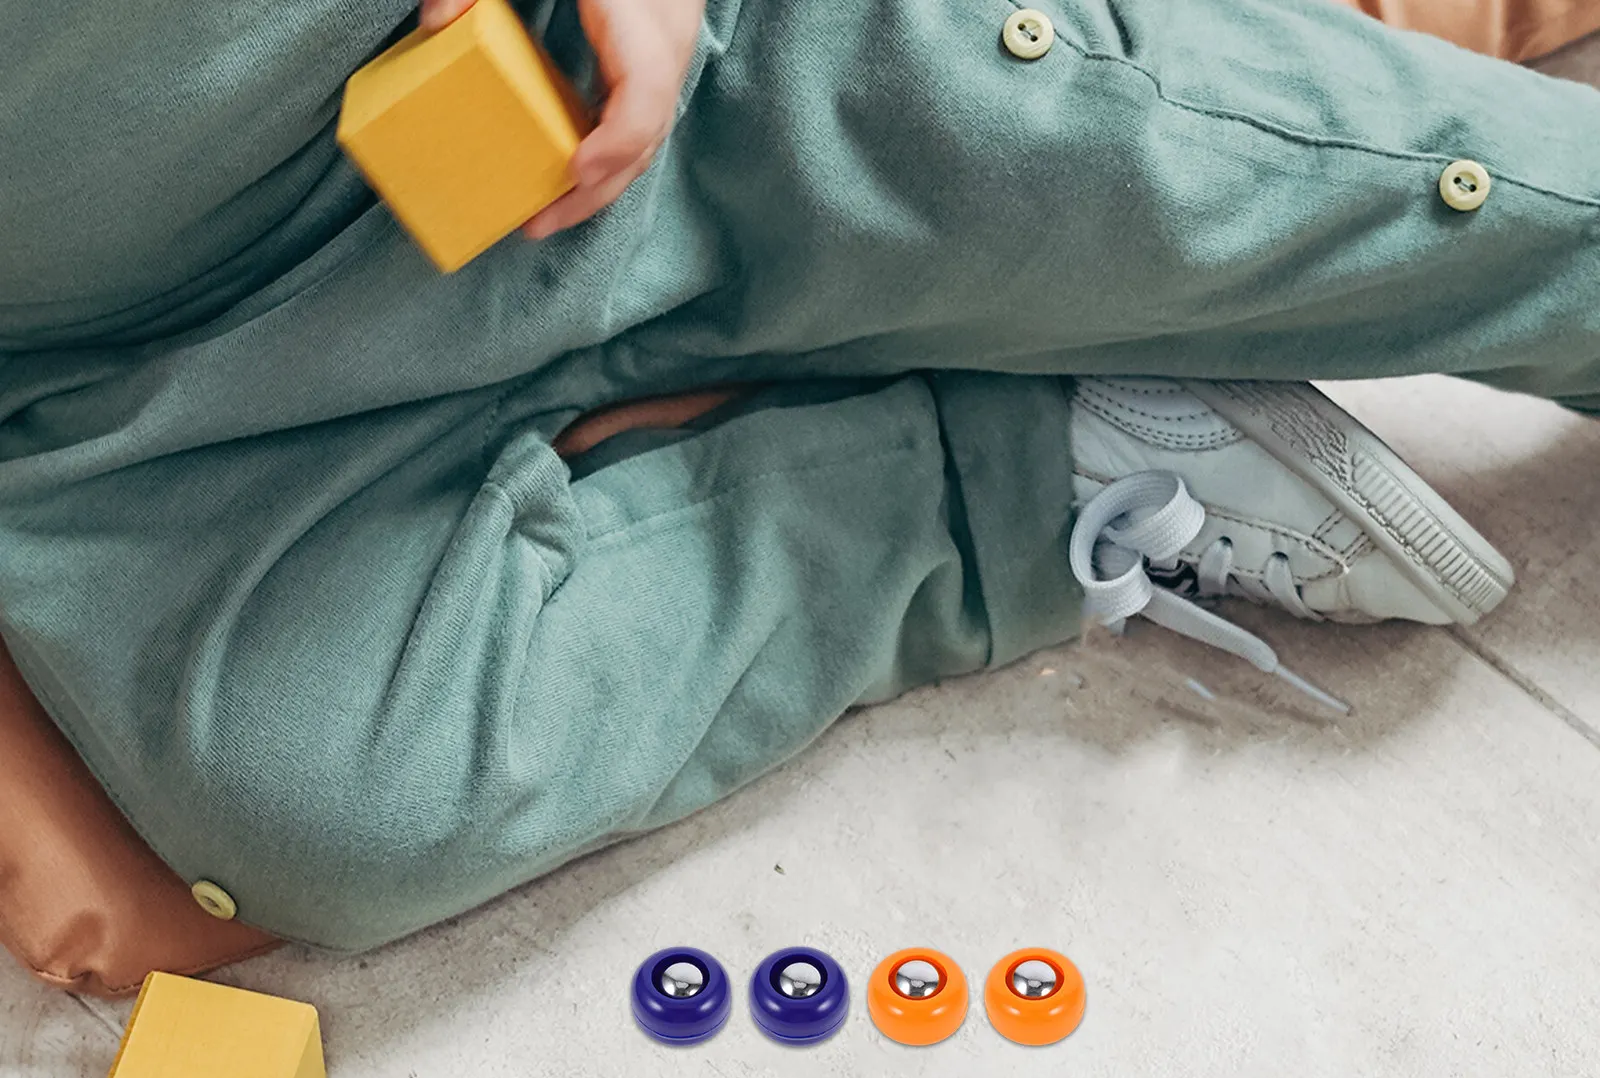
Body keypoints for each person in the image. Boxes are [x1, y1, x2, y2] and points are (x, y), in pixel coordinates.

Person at [1, 0, 1598, 954]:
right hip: (139, 390)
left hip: (626, 73)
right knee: (323, 797)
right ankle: (1021, 468)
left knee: (1084, 146)